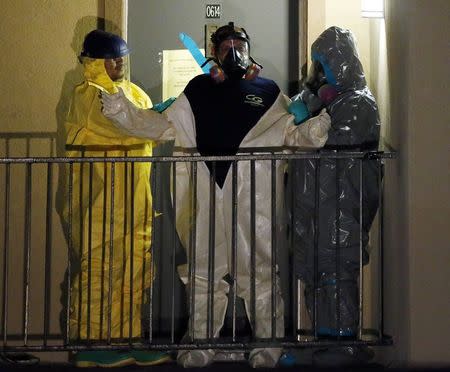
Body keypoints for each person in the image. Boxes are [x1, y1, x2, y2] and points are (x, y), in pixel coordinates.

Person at [101, 22, 331, 368]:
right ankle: (200, 342)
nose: (233, 51)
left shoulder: (269, 92)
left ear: (249, 49)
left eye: (239, 44)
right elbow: (159, 124)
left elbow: (290, 135)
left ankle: (267, 344)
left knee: (260, 269)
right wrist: (121, 110)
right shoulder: (197, 90)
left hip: (254, 194)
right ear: (214, 54)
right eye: (225, 46)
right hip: (206, 190)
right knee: (203, 267)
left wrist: (318, 127)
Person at [62, 29, 170, 368]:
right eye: (111, 59)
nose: (118, 63)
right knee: (99, 270)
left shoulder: (133, 92)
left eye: (121, 57)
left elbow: (147, 121)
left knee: (135, 269)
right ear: (94, 62)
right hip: (99, 203)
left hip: (136, 200)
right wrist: (156, 118)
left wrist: (163, 112)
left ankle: (127, 337)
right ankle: (91, 342)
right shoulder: (88, 95)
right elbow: (124, 125)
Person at [289, 26, 380, 366]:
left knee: (337, 274)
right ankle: (326, 339)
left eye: (324, 63)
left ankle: (343, 344)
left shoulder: (358, 103)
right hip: (317, 209)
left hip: (340, 208)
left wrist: (310, 117)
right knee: (316, 274)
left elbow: (335, 143)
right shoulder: (333, 99)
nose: (320, 71)